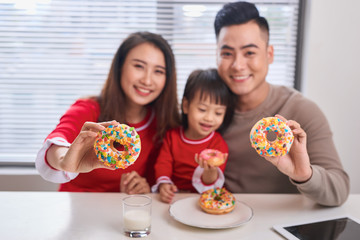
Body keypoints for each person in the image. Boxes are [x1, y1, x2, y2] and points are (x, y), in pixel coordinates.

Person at [214, 1, 349, 206]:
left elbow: (339, 191)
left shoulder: (301, 111)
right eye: (226, 53)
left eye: (249, 52)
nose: (238, 65)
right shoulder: (206, 111)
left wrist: (305, 174)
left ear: (269, 54)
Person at [35, 31, 181, 193]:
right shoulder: (88, 109)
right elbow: (58, 141)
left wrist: (143, 187)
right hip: (78, 208)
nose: (147, 80)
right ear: (119, 67)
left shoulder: (162, 124)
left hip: (123, 210)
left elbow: (158, 177)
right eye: (139, 66)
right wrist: (64, 161)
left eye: (158, 71)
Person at [151, 68, 235, 203]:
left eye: (218, 113)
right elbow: (163, 163)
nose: (209, 118)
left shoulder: (218, 145)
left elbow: (211, 183)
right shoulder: (172, 136)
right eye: (202, 109)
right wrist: (164, 183)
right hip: (175, 197)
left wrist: (210, 170)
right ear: (186, 106)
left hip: (204, 199)